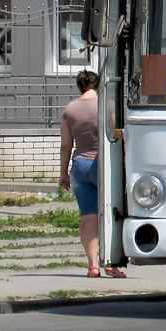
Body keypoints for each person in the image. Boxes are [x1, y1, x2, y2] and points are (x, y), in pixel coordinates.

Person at [59, 70, 125, 279]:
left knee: (88, 217)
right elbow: (118, 136)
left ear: (80, 86)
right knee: (111, 214)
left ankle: (93, 265)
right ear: (98, 85)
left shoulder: (69, 109)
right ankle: (111, 263)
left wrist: (63, 172)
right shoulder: (107, 105)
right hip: (103, 165)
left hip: (79, 166)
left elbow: (66, 144)